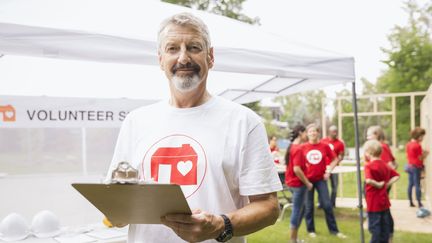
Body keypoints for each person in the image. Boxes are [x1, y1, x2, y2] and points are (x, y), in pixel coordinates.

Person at [106, 13, 282, 243]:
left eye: (194, 47)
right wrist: (116, 211)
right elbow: (118, 198)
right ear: (160, 59)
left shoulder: (243, 122)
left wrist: (221, 225)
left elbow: (268, 206)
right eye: (172, 49)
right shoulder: (136, 121)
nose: (183, 58)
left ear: (210, 57)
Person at [301, 124, 346, 239]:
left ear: (318, 133)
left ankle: (334, 231)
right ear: (307, 133)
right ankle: (311, 230)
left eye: (315, 131)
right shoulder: (303, 147)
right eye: (310, 131)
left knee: (327, 205)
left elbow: (335, 159)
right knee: (309, 206)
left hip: (321, 179)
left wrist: (329, 171)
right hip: (308, 181)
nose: (312, 133)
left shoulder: (325, 146)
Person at [363, 140, 400, 243]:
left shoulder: (369, 166)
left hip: (373, 202)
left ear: (369, 153)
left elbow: (368, 180)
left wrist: (378, 184)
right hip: (384, 201)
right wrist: (388, 183)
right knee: (385, 227)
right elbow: (397, 175)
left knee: (374, 228)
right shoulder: (385, 165)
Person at [284, 125, 312, 243]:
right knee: (297, 210)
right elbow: (297, 169)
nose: (307, 135)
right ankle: (293, 240)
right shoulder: (298, 148)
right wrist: (307, 183)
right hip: (298, 185)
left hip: (292, 183)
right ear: (301, 133)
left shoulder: (292, 147)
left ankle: (295, 238)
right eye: (306, 132)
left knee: (301, 209)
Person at [320, 125, 345, 208]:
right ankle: (322, 203)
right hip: (323, 167)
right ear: (329, 132)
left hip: (335, 168)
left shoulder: (340, 143)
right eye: (333, 131)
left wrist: (337, 161)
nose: (335, 133)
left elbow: (341, 156)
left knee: (334, 186)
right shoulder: (323, 141)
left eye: (336, 131)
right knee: (322, 186)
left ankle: (332, 203)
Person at [406, 127, 429, 208]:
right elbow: (420, 158)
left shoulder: (408, 144)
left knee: (410, 184)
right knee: (417, 185)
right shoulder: (417, 145)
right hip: (416, 167)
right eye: (422, 136)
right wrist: (426, 154)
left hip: (409, 166)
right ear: (419, 136)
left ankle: (411, 202)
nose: (422, 138)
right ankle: (419, 203)